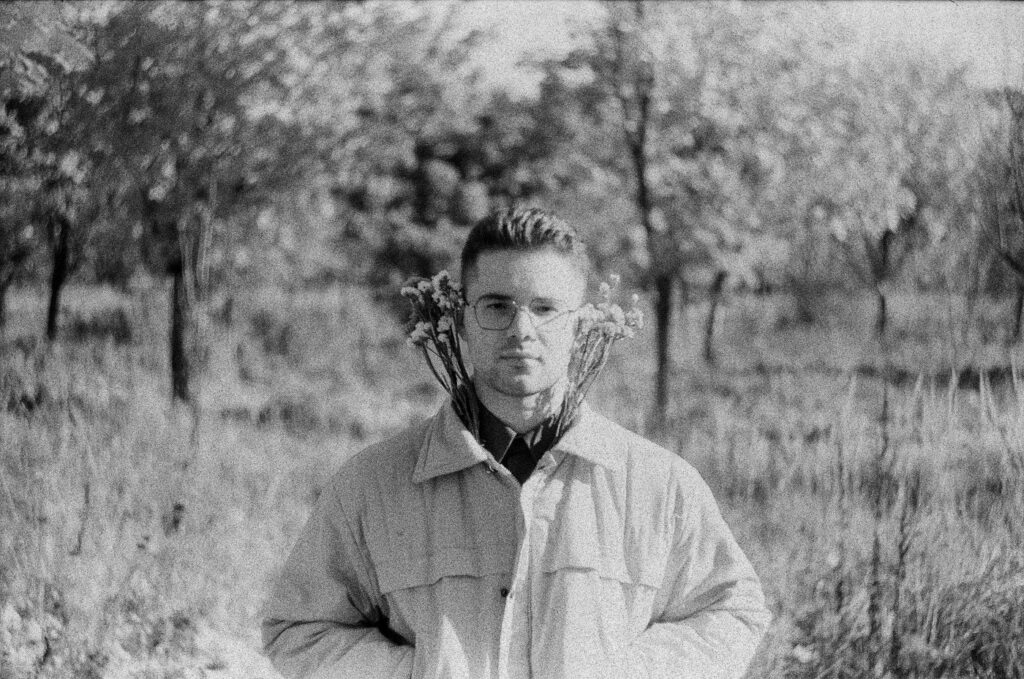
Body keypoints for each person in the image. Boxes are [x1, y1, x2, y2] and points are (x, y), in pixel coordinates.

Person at [260, 207, 770, 679]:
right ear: (462, 320)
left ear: (579, 325)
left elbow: (732, 611)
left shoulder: (659, 484)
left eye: (545, 308)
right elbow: (300, 630)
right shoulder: (373, 485)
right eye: (497, 306)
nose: (521, 329)